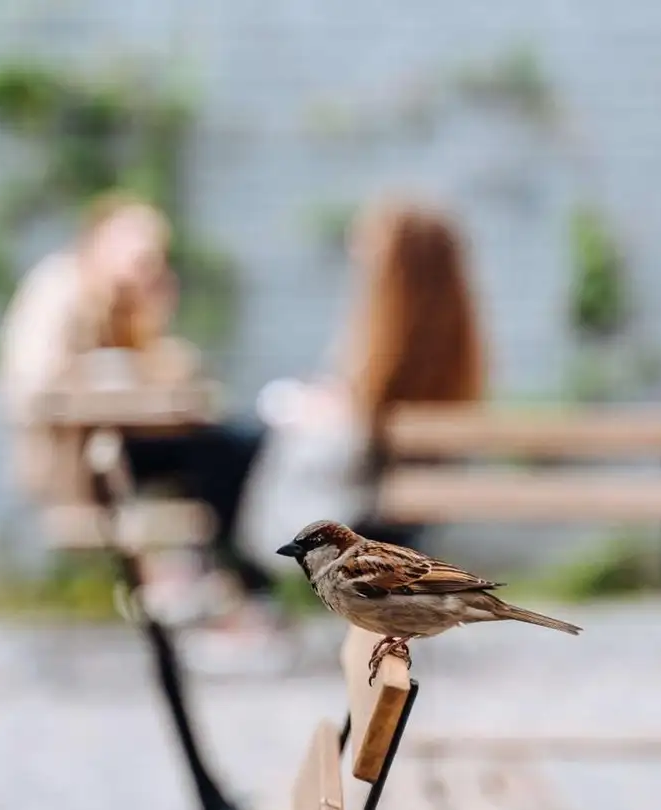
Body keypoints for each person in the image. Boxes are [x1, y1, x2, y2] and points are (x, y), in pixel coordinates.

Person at [197, 196, 487, 673]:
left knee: (227, 451)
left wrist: (318, 408)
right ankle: (249, 603)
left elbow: (365, 419)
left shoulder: (394, 327)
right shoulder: (455, 332)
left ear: (397, 264)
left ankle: (251, 603)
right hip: (399, 492)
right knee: (236, 446)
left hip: (369, 494)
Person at [0, 192, 270, 630]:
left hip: (132, 442)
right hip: (79, 459)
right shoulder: (60, 291)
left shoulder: (129, 299)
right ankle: (240, 585)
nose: (150, 266)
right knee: (225, 452)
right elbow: (36, 385)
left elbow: (169, 371)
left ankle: (226, 582)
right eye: (141, 255)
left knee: (239, 444)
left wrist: (154, 316)